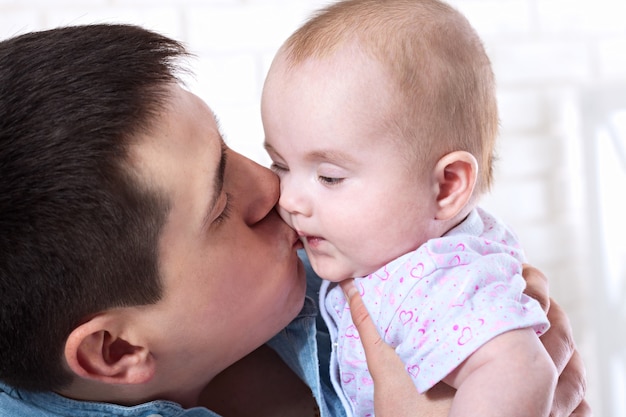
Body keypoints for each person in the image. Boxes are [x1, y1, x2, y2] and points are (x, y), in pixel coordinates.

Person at [0, 23, 589, 417]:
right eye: (223, 207)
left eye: (231, 150)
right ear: (115, 351)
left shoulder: (353, 270)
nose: (272, 187)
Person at [260, 0, 579, 416]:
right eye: (280, 166)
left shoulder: (438, 279)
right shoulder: (394, 252)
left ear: (445, 187)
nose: (289, 199)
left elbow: (522, 367)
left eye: (330, 177)